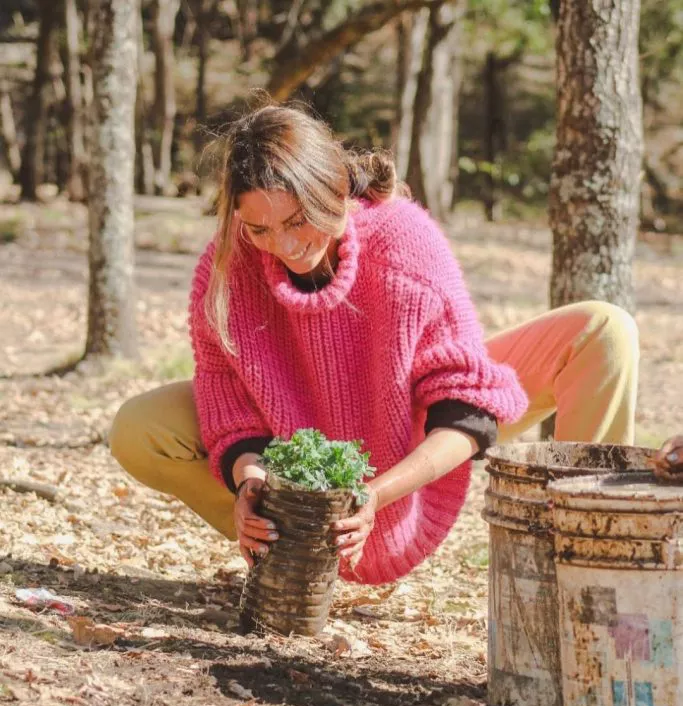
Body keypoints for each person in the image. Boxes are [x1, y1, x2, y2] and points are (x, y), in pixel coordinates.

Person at [109, 103, 641, 586]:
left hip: (413, 410)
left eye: (298, 221)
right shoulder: (228, 264)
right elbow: (226, 396)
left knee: (604, 331)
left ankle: (591, 555)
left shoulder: (403, 240)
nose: (287, 246)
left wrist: (375, 494)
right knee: (139, 428)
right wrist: (251, 481)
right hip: (292, 432)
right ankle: (289, 538)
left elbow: (469, 411)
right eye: (260, 229)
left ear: (335, 188)